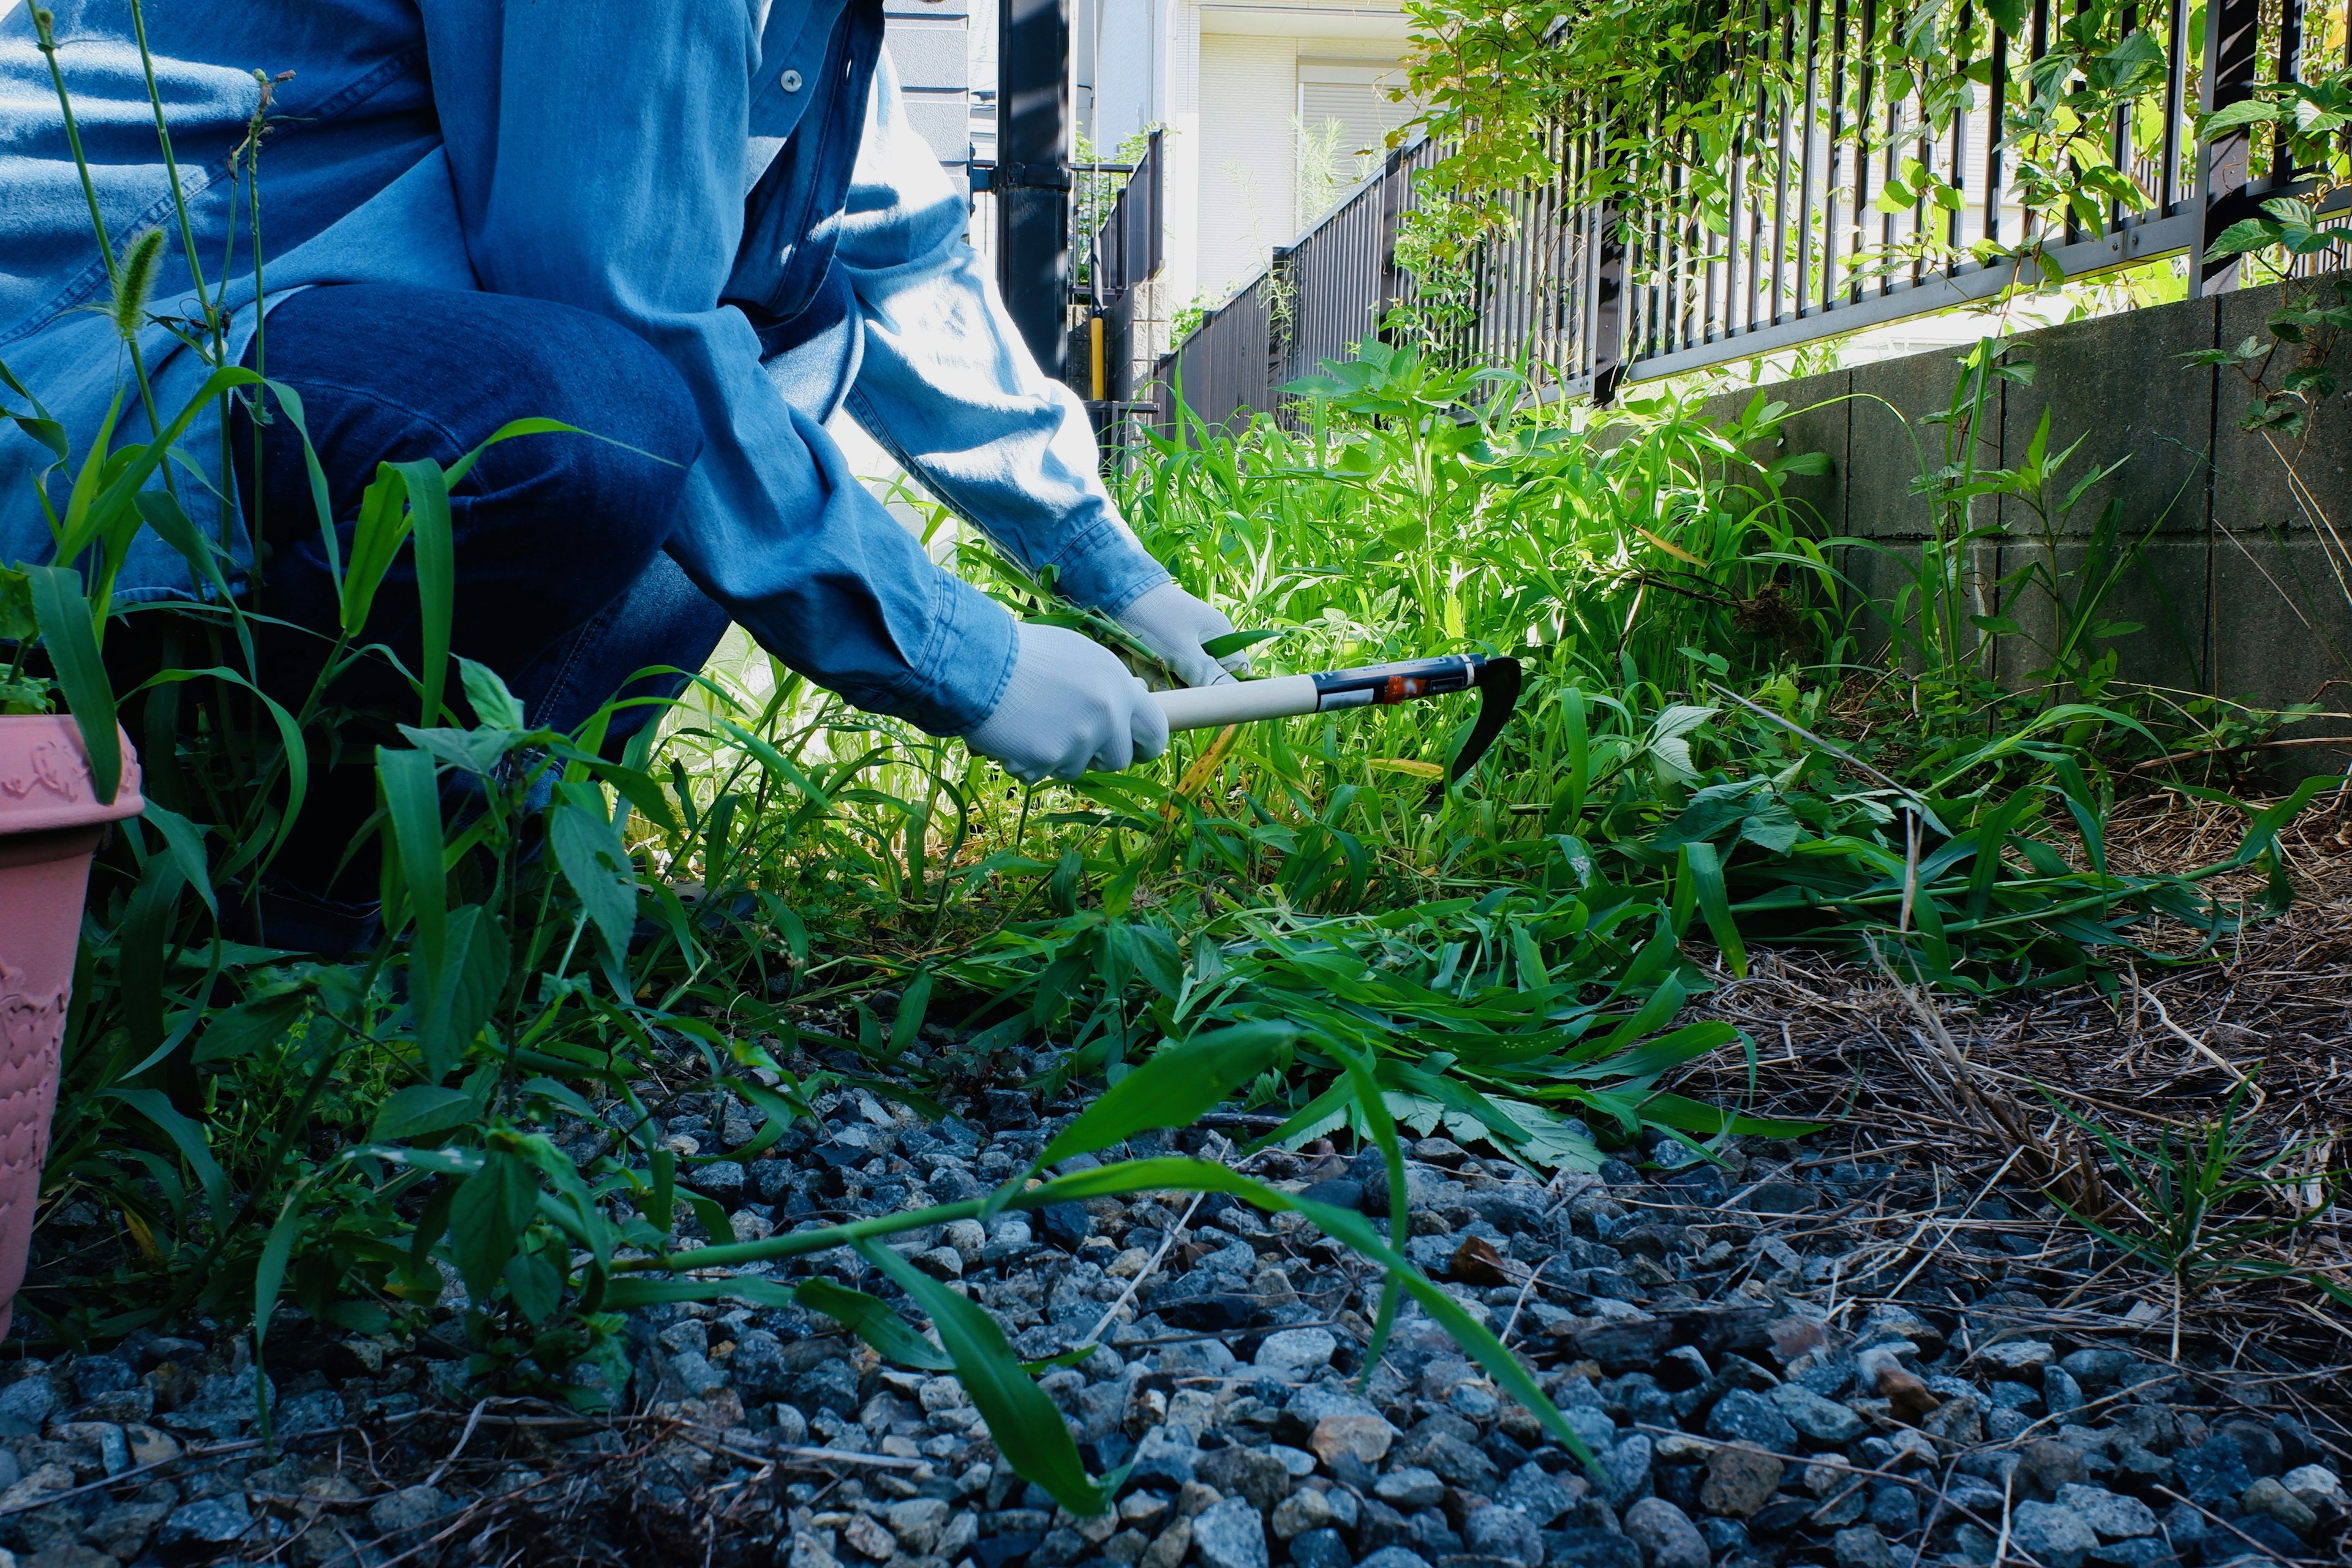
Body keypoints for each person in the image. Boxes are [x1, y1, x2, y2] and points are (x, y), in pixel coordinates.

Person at [0, 0, 1239, 938]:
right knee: (599, 414)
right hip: (112, 346)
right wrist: (968, 662)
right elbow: (615, 290)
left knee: (773, 328)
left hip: (330, 337)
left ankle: (483, 857)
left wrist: (1112, 573)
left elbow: (890, 248)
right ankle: (267, 891)